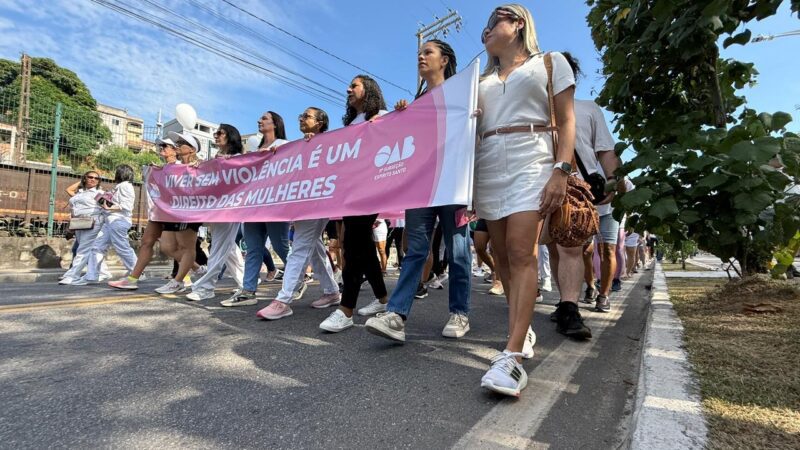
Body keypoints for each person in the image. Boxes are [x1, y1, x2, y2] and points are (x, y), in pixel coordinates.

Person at [473, 4, 575, 397]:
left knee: (522, 253)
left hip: (531, 158)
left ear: (517, 24)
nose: (486, 30)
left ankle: (512, 357)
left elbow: (566, 121)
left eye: (493, 21)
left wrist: (561, 170)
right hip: (487, 164)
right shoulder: (479, 81)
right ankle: (522, 327)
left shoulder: (550, 63)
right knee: (502, 259)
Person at [364, 39, 472, 342]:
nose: (421, 58)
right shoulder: (416, 102)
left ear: (445, 60)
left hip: (454, 186)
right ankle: (397, 315)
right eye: (419, 54)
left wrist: (472, 191)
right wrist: (394, 118)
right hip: (421, 188)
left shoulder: (463, 94)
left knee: (459, 252)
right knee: (414, 253)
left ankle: (459, 313)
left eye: (428, 53)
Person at [315, 75, 389, 332]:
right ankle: (383, 299)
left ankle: (346, 309)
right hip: (350, 190)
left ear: (368, 89)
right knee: (365, 248)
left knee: (353, 245)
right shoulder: (350, 124)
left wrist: (397, 116)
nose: (348, 89)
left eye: (354, 85)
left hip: (371, 189)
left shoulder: (382, 115)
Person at [255, 107, 341, 319]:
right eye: (300, 115)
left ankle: (284, 299)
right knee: (314, 249)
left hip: (319, 201)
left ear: (320, 123)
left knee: (301, 246)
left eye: (307, 116)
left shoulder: (331, 142)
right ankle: (332, 292)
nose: (302, 119)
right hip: (304, 202)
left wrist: (318, 144)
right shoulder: (301, 146)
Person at [223, 111, 295, 307]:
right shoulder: (254, 146)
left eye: (264, 118)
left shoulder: (283, 145)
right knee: (253, 248)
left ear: (275, 123)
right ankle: (248, 290)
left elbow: (291, 169)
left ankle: (299, 277)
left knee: (281, 247)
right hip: (253, 203)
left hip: (275, 204)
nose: (259, 121)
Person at [186, 124, 246, 301]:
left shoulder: (238, 158)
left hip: (230, 209)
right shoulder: (215, 158)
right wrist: (201, 166)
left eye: (220, 132)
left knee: (219, 247)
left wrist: (227, 163)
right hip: (215, 208)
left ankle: (206, 287)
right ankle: (246, 283)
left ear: (231, 136)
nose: (216, 135)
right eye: (215, 132)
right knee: (229, 249)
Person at [108, 138, 178, 290]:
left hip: (173, 212)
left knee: (169, 248)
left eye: (165, 146)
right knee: (146, 242)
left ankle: (194, 272)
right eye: (161, 146)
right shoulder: (163, 168)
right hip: (159, 211)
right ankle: (132, 279)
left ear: (175, 150)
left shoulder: (181, 167)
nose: (162, 148)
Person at [153, 131, 204, 294]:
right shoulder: (172, 168)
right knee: (166, 246)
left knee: (186, 246)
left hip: (190, 211)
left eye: (182, 142)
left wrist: (199, 168)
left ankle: (178, 281)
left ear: (192, 150)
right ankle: (198, 268)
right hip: (172, 210)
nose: (177, 144)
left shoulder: (200, 166)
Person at [82, 164, 138, 283]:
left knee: (122, 247)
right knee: (97, 247)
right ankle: (92, 275)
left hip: (118, 220)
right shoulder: (120, 186)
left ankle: (137, 272)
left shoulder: (125, 186)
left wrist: (108, 207)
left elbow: (127, 206)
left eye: (117, 171)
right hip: (111, 221)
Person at [59, 171, 108, 285]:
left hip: (93, 222)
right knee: (87, 249)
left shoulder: (98, 193)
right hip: (79, 223)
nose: (93, 180)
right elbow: (70, 194)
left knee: (83, 249)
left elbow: (108, 206)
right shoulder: (81, 193)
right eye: (90, 177)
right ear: (85, 178)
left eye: (96, 178)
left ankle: (73, 276)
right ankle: (102, 272)